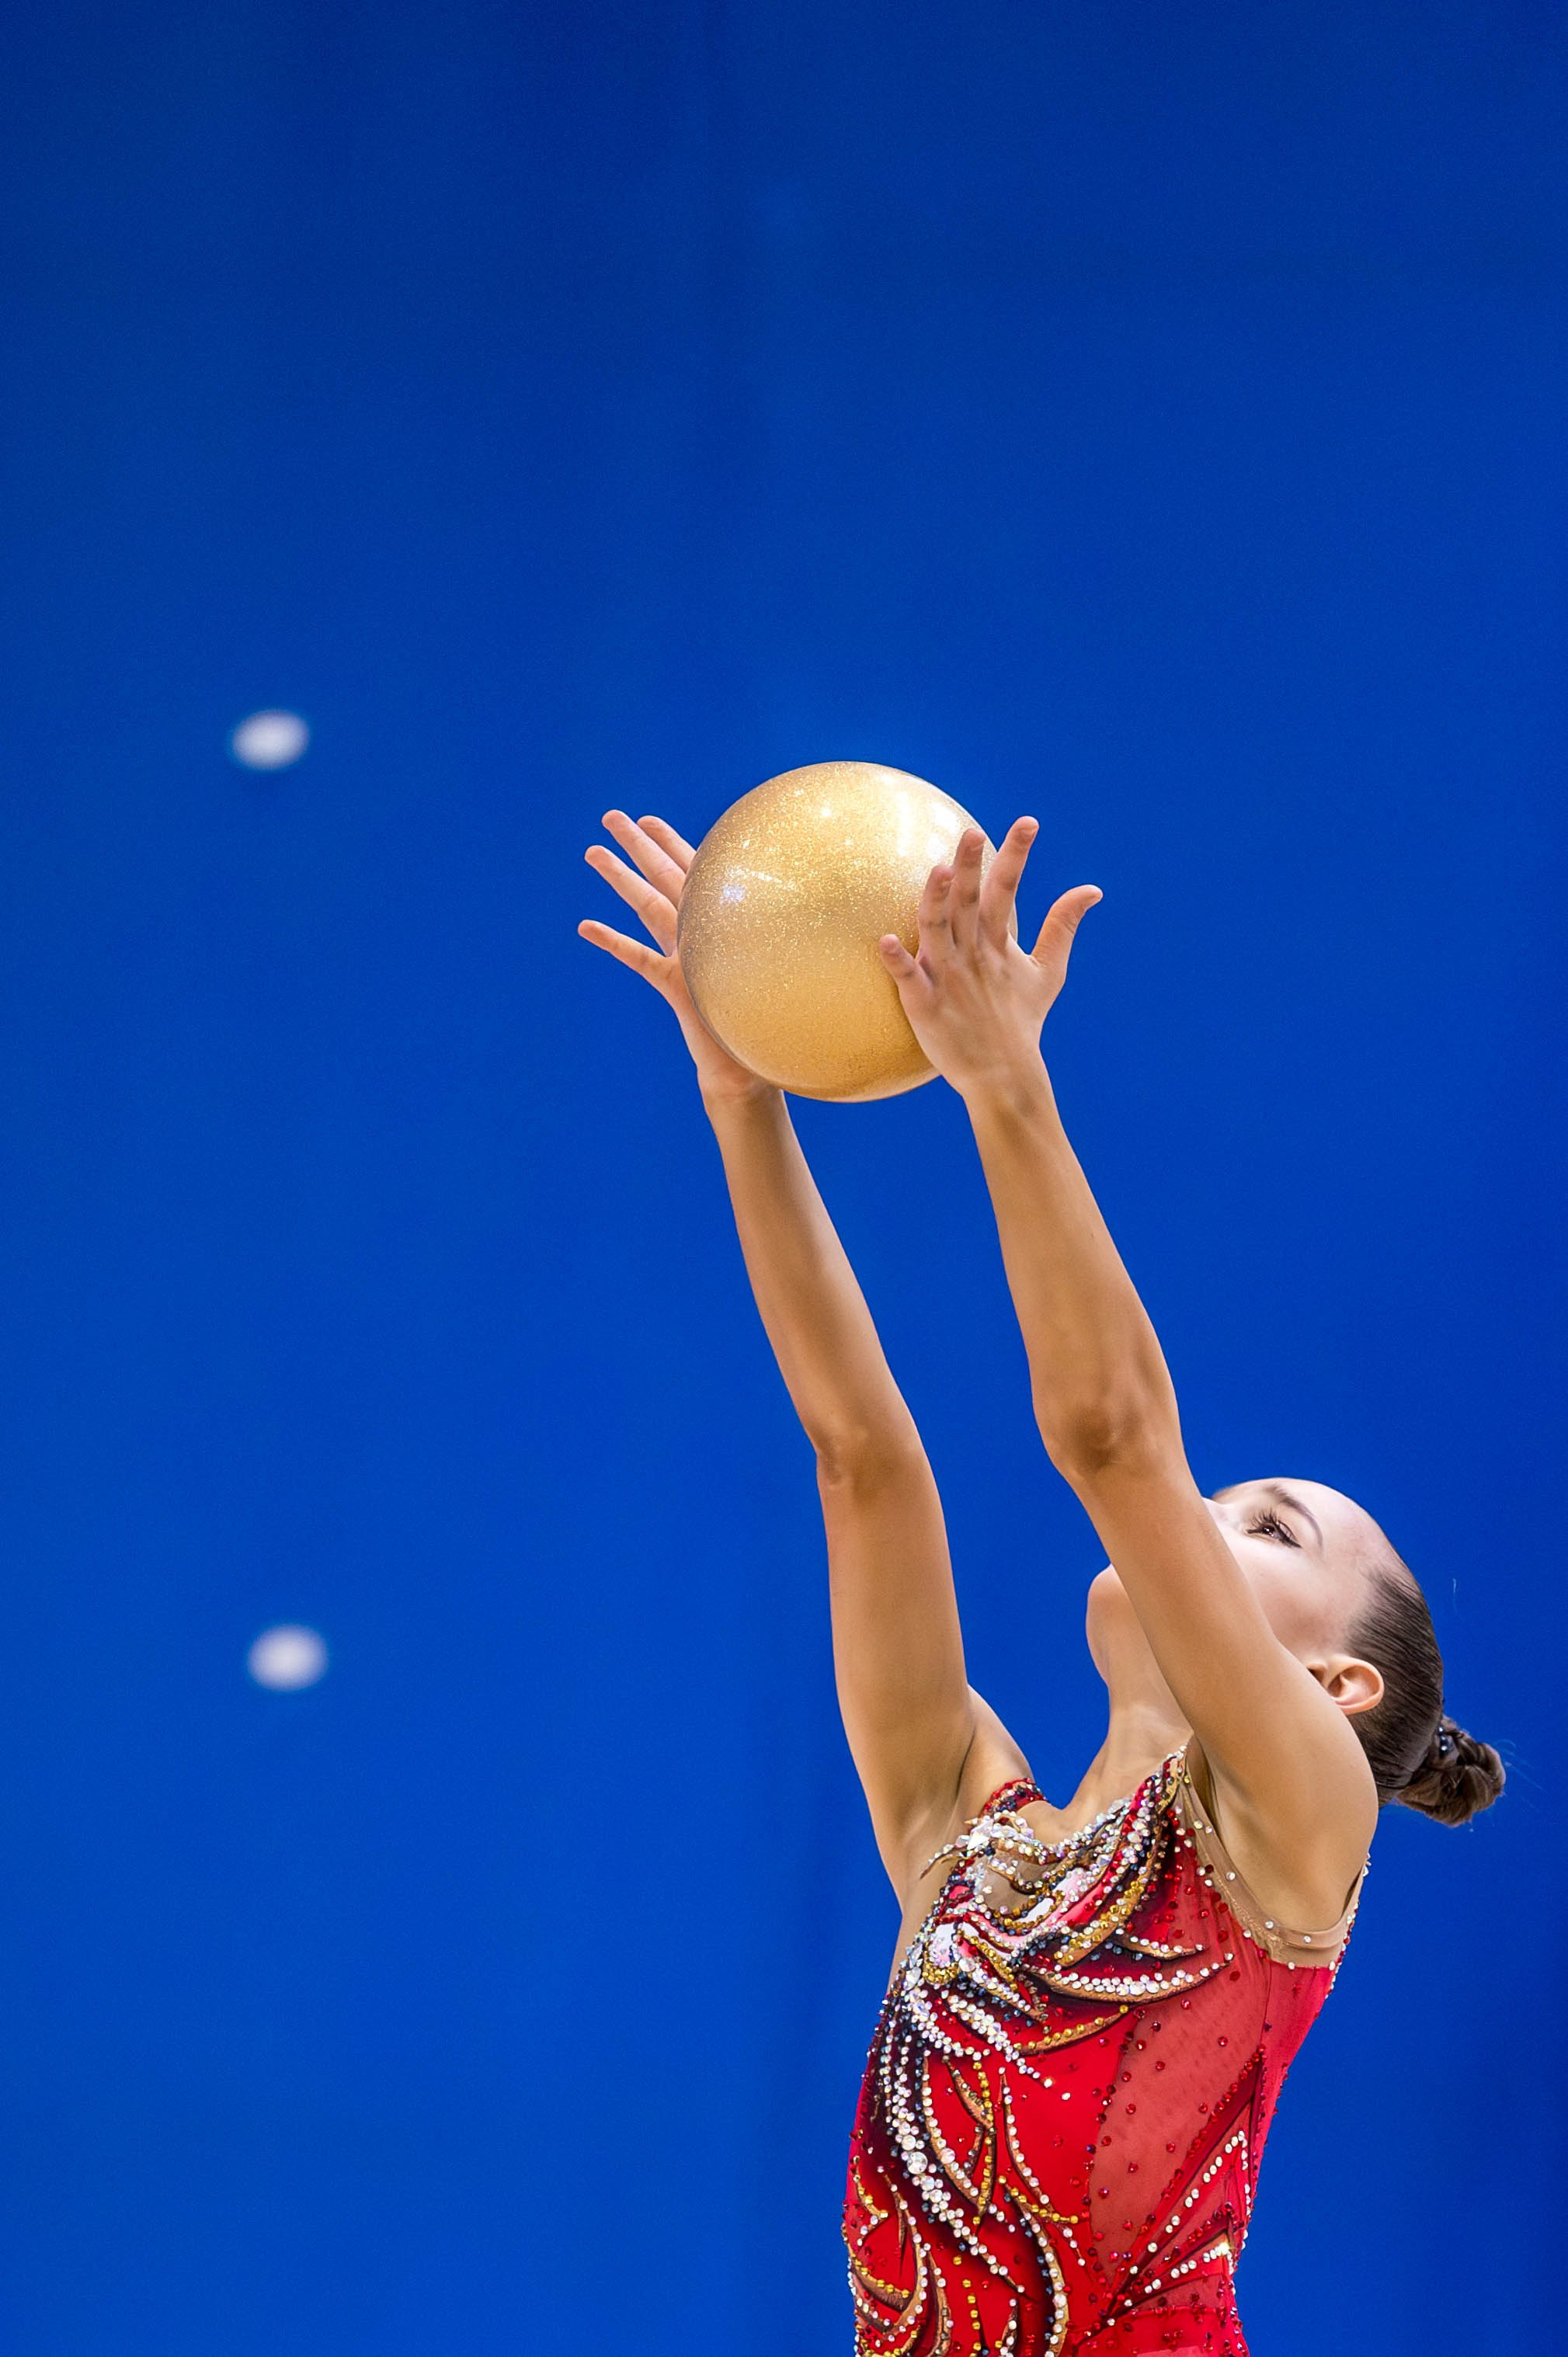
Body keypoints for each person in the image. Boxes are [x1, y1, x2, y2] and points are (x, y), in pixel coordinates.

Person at [579, 809, 1504, 2357]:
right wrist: (741, 1093)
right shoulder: (958, 1843)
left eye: (1268, 1528)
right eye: (1224, 1500)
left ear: (1335, 1688)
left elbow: (1112, 1436)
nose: (1198, 1515)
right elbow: (858, 1456)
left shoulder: (1292, 1831)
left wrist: (1004, 1085)